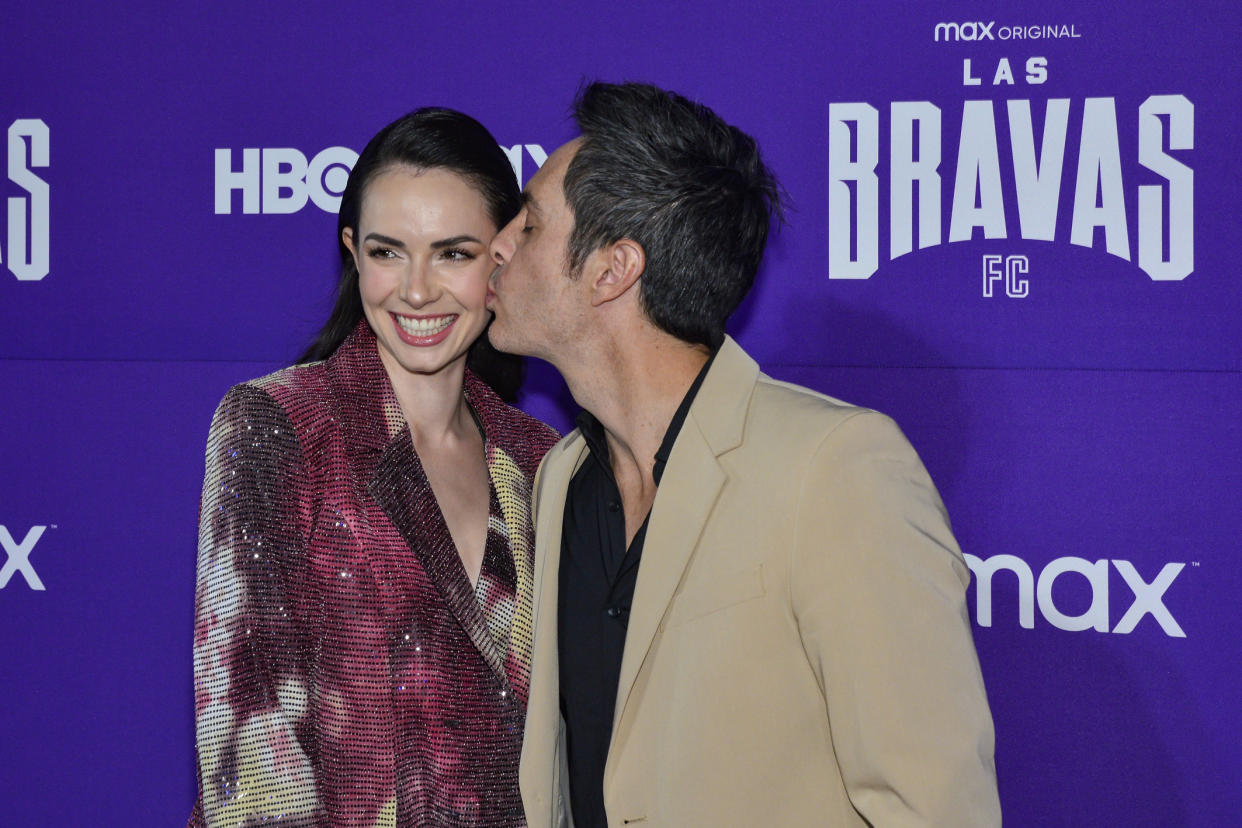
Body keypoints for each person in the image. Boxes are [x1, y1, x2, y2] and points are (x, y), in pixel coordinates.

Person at [486, 82, 1001, 827]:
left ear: (612, 269)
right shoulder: (561, 478)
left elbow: (935, 808)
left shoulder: (834, 468)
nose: (498, 242)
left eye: (530, 224)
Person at [188, 108, 559, 827]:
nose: (417, 291)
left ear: (503, 258)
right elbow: (252, 740)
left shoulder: (543, 460)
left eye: (453, 253)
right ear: (354, 251)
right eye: (389, 252)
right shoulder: (282, 425)